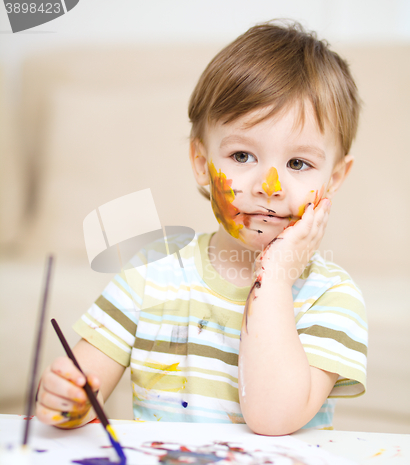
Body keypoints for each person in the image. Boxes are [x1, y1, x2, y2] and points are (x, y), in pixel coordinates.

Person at [36, 20, 367, 435]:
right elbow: (81, 393)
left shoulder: (333, 298)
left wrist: (276, 276)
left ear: (334, 179)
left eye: (298, 164)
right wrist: (67, 401)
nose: (270, 187)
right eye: (242, 155)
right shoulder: (149, 276)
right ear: (200, 164)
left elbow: (272, 418)